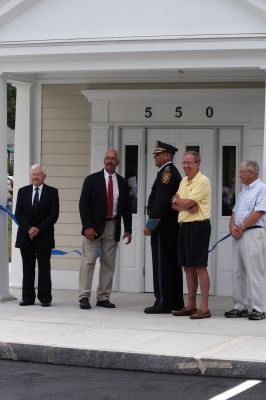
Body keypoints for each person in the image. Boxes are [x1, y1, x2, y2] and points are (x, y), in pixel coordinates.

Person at [79, 149, 132, 310]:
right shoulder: (91, 180)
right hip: (93, 227)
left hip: (112, 226)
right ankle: (84, 296)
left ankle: (103, 297)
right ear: (104, 160)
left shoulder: (123, 183)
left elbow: (126, 208)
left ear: (117, 162)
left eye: (113, 158)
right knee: (88, 262)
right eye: (108, 158)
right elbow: (83, 205)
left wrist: (128, 229)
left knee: (108, 263)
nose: (110, 161)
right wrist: (87, 226)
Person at [144, 141, 184, 314]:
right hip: (170, 227)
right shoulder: (168, 172)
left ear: (167, 156)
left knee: (162, 264)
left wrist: (151, 224)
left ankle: (163, 301)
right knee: (171, 264)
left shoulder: (166, 173)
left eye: (158, 154)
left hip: (163, 226)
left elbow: (161, 201)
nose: (155, 156)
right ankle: (175, 301)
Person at [171, 150, 211, 319]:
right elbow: (173, 203)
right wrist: (182, 203)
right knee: (187, 267)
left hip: (199, 226)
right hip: (184, 226)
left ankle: (204, 307)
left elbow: (183, 201)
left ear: (198, 164)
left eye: (190, 163)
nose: (186, 166)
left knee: (199, 266)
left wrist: (180, 202)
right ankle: (190, 305)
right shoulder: (183, 181)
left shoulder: (202, 181)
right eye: (184, 162)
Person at [224, 160, 266, 320]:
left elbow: (259, 212)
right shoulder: (243, 192)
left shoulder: (262, 189)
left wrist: (241, 227)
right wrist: (232, 226)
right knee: (237, 271)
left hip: (253, 233)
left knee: (255, 271)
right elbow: (234, 211)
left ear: (252, 173)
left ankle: (259, 308)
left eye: (242, 171)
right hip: (239, 234)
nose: (239, 174)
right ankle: (239, 306)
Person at [15, 164, 59, 307]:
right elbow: (18, 214)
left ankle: (45, 298)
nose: (35, 177)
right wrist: (29, 229)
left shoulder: (52, 192)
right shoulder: (23, 191)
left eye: (38, 174)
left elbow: (53, 215)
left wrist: (38, 229)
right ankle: (27, 297)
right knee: (27, 267)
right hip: (26, 236)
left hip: (44, 236)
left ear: (44, 176)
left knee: (44, 268)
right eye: (33, 174)